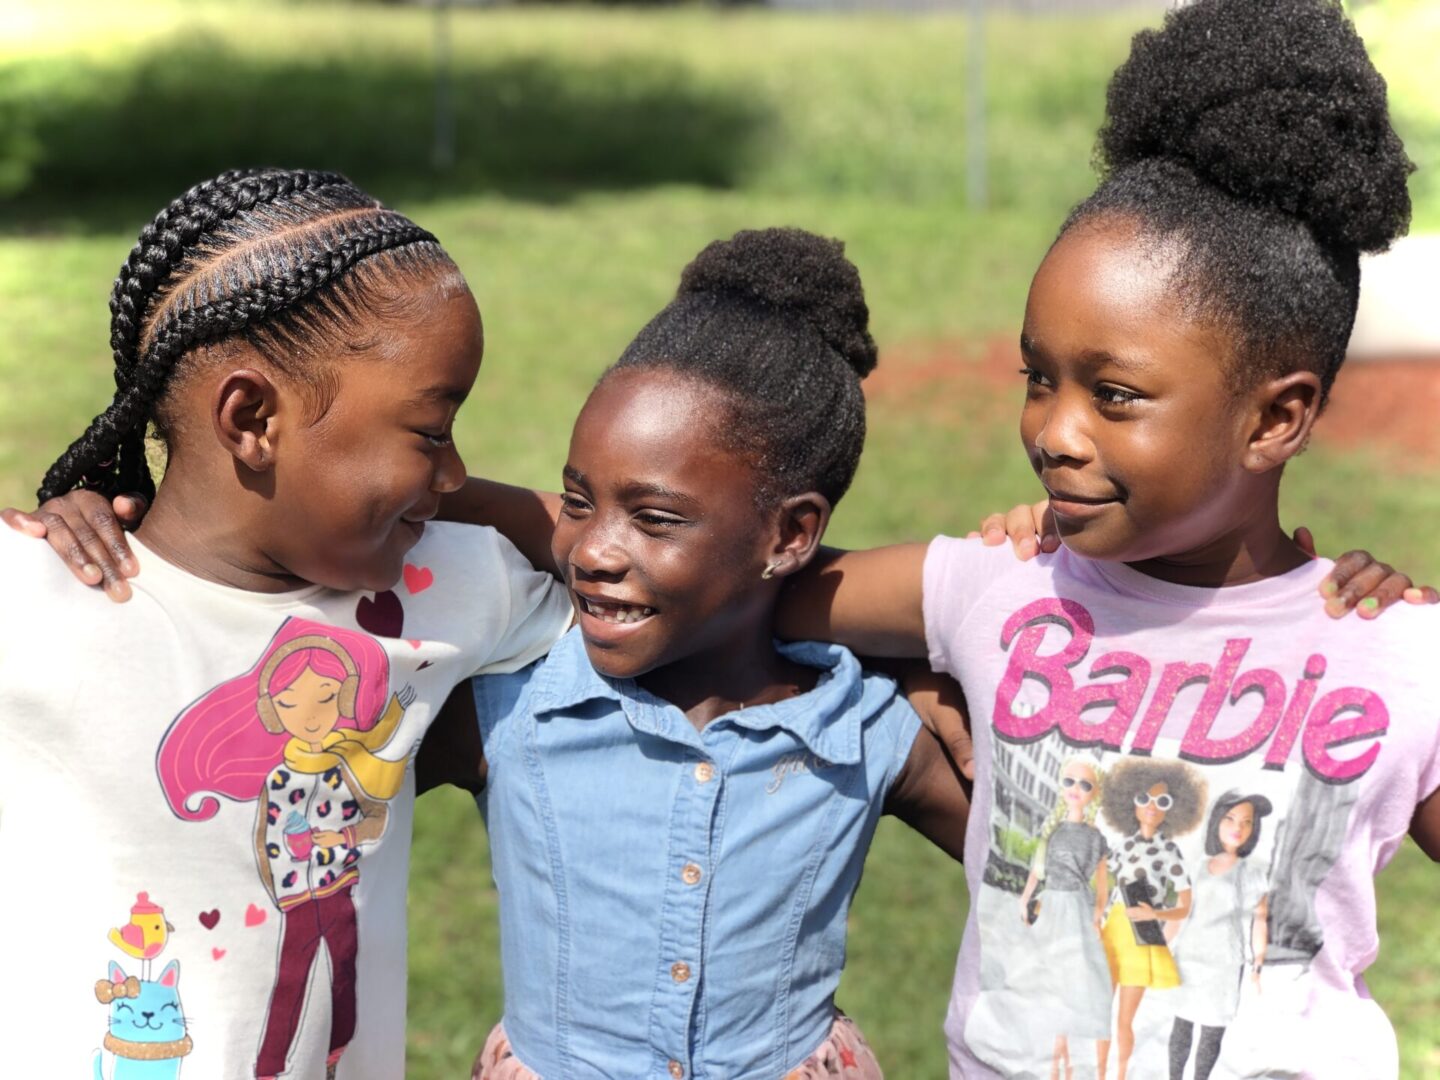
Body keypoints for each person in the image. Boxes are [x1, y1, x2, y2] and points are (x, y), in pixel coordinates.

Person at [760, 1, 1439, 1077]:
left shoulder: (1396, 650)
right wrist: (912, 681)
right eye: (1040, 377)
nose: (1052, 434)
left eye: (1114, 396)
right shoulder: (1001, 583)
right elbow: (743, 592)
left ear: (1276, 417)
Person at [0, 169, 575, 1080]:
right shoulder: (34, 600)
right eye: (432, 431)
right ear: (252, 418)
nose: (459, 473)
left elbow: (639, 564)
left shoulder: (449, 590)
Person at [1014, 756, 1111, 1080]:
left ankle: (1068, 1065)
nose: (1075, 789)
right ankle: (1051, 1061)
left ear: (1093, 794)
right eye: (1070, 781)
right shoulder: (1051, 829)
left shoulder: (1095, 837)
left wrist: (1099, 915)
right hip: (1052, 905)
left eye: (1084, 785)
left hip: (1078, 909)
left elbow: (1102, 884)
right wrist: (1026, 897)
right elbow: (1038, 868)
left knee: (1074, 980)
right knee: (1047, 978)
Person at [1166, 790, 1274, 1080]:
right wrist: (1161, 946)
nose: (1237, 827)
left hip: (1226, 962)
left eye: (1246, 822)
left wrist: (1258, 963)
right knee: (1182, 1024)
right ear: (1217, 822)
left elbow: (1259, 920)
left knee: (1212, 1029)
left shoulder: (1254, 872)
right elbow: (1180, 910)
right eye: (1230, 819)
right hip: (1189, 955)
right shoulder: (1197, 866)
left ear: (1253, 829)